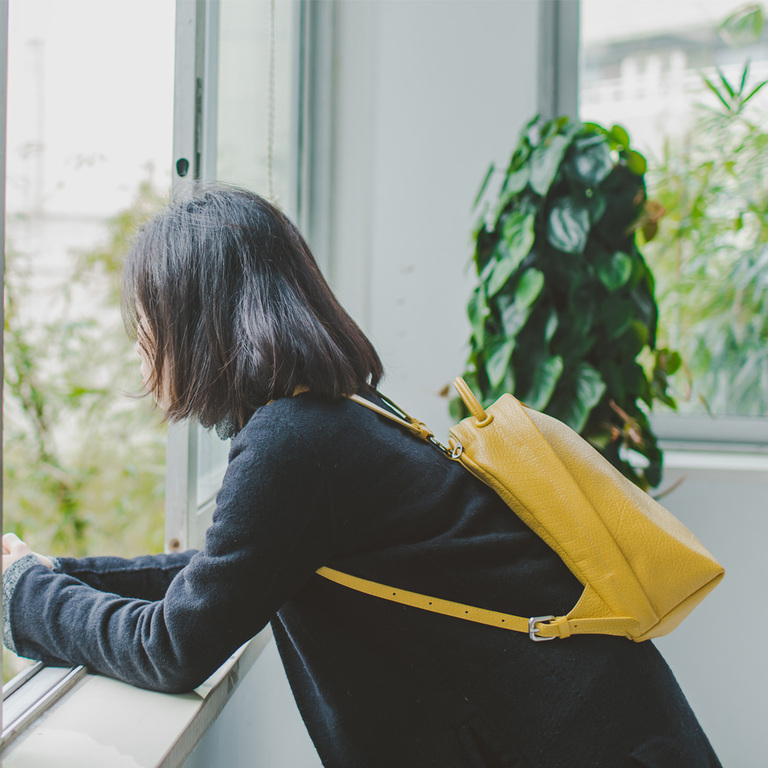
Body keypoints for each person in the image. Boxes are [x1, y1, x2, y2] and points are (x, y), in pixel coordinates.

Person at [2, 184, 721, 768]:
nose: (140, 342)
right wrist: (60, 572)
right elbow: (232, 569)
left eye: (147, 318)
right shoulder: (339, 415)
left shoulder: (294, 443)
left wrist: (25, 599)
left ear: (197, 321)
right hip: (602, 727)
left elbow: (173, 646)